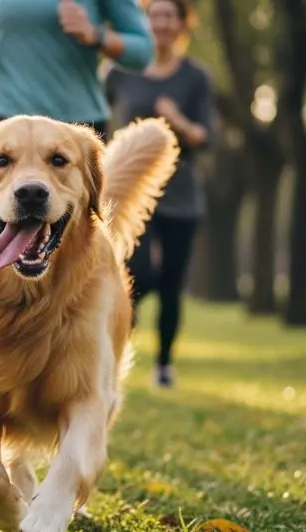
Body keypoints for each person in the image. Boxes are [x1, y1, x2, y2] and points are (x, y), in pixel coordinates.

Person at [104, 0, 213, 389]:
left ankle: (164, 364)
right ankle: (115, 354)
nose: (161, 24)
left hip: (181, 195)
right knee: (136, 274)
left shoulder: (196, 77)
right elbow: (97, 123)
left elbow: (205, 138)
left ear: (183, 24)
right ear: (143, 23)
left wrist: (178, 120)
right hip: (131, 191)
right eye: (153, 16)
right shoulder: (120, 72)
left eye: (169, 16)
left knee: (171, 285)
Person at [0, 0, 155, 143]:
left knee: (87, 212)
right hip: (4, 118)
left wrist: (96, 35)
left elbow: (143, 51)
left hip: (79, 127)